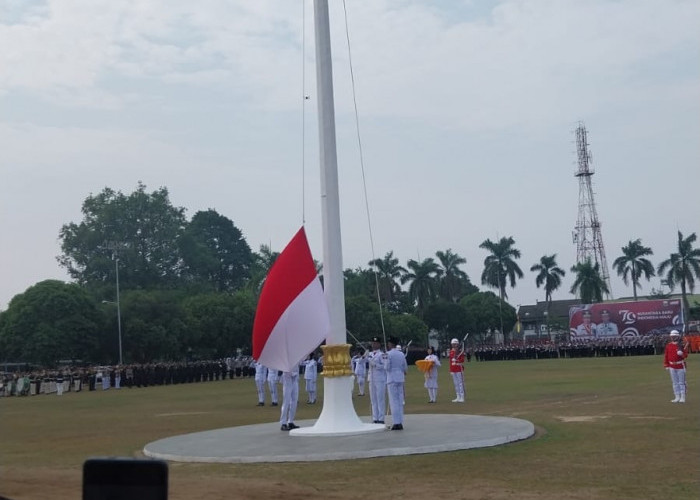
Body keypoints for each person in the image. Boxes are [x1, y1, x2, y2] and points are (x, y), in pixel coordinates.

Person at [384, 337, 408, 430]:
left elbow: (387, 367)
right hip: (400, 378)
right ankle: (400, 421)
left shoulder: (388, 354)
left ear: (391, 344)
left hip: (392, 378)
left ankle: (396, 422)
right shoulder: (401, 354)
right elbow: (405, 367)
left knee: (393, 401)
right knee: (399, 401)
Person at [664, 330, 688, 403]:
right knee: (674, 382)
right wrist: (666, 365)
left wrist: (681, 354)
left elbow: (685, 355)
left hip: (680, 365)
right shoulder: (668, 345)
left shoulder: (681, 345)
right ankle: (677, 396)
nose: (673, 338)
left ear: (677, 337)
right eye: (672, 336)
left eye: (674, 336)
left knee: (681, 382)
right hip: (671, 366)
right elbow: (666, 356)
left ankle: (682, 397)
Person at [368, 336, 387, 424]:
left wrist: (375, 365)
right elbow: (361, 361)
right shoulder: (370, 354)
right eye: (372, 343)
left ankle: (381, 418)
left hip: (380, 379)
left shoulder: (382, 354)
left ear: (379, 344)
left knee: (380, 398)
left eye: (375, 343)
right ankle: (375, 417)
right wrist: (364, 357)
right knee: (373, 399)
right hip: (371, 379)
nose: (373, 344)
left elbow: (385, 366)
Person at [280, 363, 300, 431]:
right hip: (287, 378)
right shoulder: (285, 357)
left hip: (295, 378)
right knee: (286, 401)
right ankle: (283, 423)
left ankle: (290, 421)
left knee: (294, 400)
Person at [448, 338, 466, 403]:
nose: (454, 345)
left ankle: (462, 397)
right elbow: (450, 362)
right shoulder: (451, 351)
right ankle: (458, 396)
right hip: (453, 369)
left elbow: (462, 360)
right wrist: (451, 370)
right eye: (453, 344)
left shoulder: (460, 351)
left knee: (460, 383)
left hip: (459, 368)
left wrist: (457, 359)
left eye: (455, 344)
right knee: (456, 384)